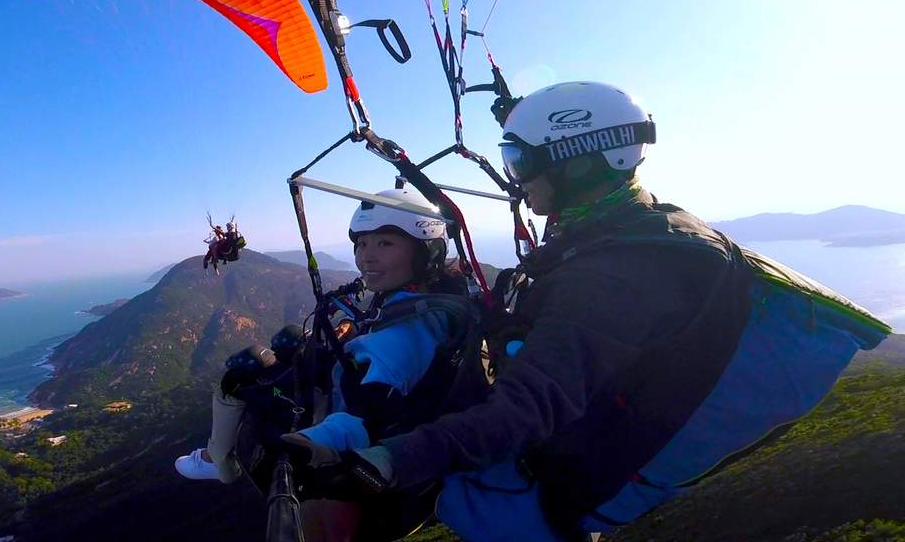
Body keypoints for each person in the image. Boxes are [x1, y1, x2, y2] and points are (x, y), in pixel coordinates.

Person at [279, 81, 889, 541]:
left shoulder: (615, 276)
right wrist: (518, 119)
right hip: (587, 444)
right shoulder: (635, 226)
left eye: (523, 163)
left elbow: (526, 412)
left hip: (550, 491)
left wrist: (389, 460)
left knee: (385, 488)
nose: (516, 179)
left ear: (577, 162)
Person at [176, 187, 480, 541]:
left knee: (242, 371)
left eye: (385, 243)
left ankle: (220, 462)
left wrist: (300, 444)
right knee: (291, 339)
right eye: (362, 244)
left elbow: (363, 416)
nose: (367, 256)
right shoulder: (433, 298)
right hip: (384, 408)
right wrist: (351, 330)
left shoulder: (404, 334)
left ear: (426, 250)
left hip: (361, 437)